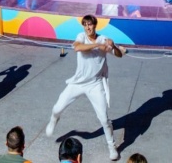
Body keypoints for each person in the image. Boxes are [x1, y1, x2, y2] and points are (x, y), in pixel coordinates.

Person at [45, 15, 125, 162]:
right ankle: (54, 119)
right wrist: (97, 46)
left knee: (104, 119)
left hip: (95, 84)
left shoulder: (103, 39)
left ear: (95, 25)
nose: (88, 27)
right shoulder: (81, 36)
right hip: (78, 83)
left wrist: (113, 46)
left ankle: (112, 147)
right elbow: (77, 47)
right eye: (85, 25)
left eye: (90, 24)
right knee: (57, 108)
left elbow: (119, 55)